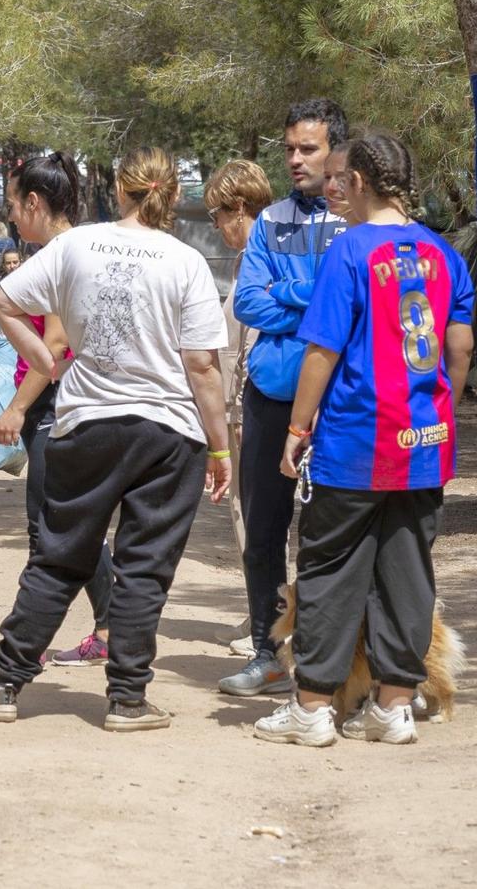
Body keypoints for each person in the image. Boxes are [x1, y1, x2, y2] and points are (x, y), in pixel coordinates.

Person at [0, 148, 234, 733]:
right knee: (145, 568)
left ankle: (6, 684)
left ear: (120, 190)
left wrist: (44, 360)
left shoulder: (77, 245)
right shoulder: (187, 262)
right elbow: (201, 366)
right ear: (172, 192)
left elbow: (2, 301)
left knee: (59, 556)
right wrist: (219, 448)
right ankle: (127, 700)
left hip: (86, 424)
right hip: (168, 433)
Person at [254, 133, 474, 747]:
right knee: (408, 573)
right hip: (424, 441)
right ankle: (393, 707)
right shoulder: (444, 252)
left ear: (359, 182)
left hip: (357, 440)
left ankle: (312, 709)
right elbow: (460, 348)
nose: (334, 188)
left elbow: (322, 350)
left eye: (340, 178)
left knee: (329, 570)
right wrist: (439, 411)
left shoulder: (349, 251)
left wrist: (297, 428)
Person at [222, 98, 350, 698]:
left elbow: (355, 308)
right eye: (290, 149)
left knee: (330, 537)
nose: (295, 159)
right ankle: (267, 653)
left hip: (340, 403)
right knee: (264, 535)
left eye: (308, 149)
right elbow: (249, 302)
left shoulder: (358, 221)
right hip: (271, 399)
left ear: (336, 152)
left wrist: (287, 290)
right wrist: (316, 296)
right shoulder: (271, 220)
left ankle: (330, 660)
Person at [0, 151, 111, 668]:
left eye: (14, 205)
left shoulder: (62, 256)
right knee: (70, 522)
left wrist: (18, 407)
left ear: (35, 203)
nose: (11, 215)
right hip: (58, 402)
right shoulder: (70, 251)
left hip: (56, 405)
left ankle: (29, 639)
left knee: (48, 525)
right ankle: (108, 628)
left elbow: (57, 344)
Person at [203, 158, 277, 655]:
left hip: (253, 403)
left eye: (217, 216)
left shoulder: (264, 256)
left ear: (239, 207)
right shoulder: (247, 257)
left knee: (257, 517)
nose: (216, 227)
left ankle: (270, 624)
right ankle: (261, 611)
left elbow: (257, 340)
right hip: (238, 404)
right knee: (244, 515)